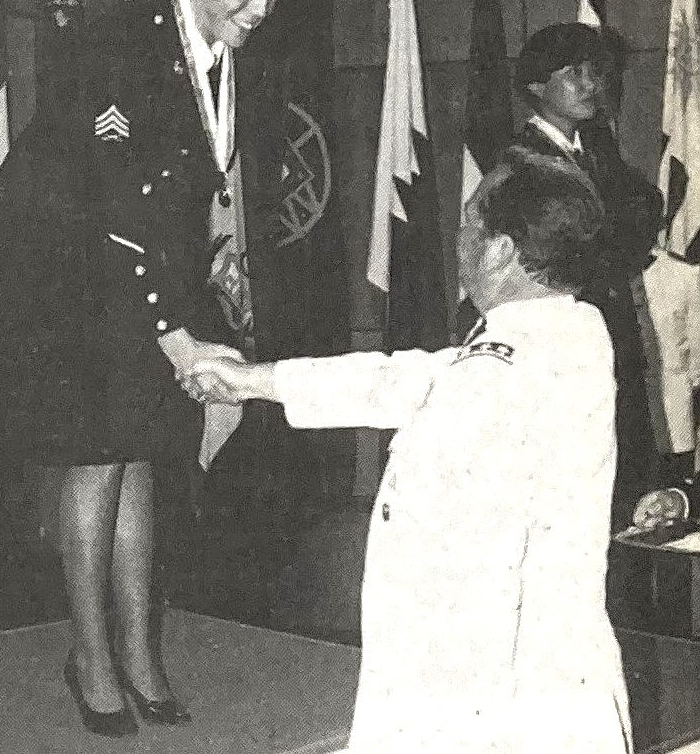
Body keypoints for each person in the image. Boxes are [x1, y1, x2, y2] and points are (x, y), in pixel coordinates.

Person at [0, 0, 308, 737]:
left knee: (147, 446)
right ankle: (92, 661)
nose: (259, 11)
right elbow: (113, 197)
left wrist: (198, 302)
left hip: (138, 257)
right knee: (97, 452)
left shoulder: (220, 49)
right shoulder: (117, 45)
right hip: (62, 269)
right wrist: (172, 328)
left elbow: (191, 193)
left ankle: (142, 655)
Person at [180, 149, 633, 753]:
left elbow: (469, 589)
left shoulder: (493, 383)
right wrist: (254, 380)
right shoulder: (572, 332)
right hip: (558, 684)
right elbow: (406, 377)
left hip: (495, 703)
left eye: (470, 223)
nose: (459, 239)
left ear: (500, 252)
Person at [514, 22, 662, 532]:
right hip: (560, 338)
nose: (590, 83)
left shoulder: (594, 152)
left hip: (608, 326)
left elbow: (646, 207)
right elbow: (558, 253)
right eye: (573, 72)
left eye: (594, 72)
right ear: (537, 86)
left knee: (621, 484)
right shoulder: (523, 162)